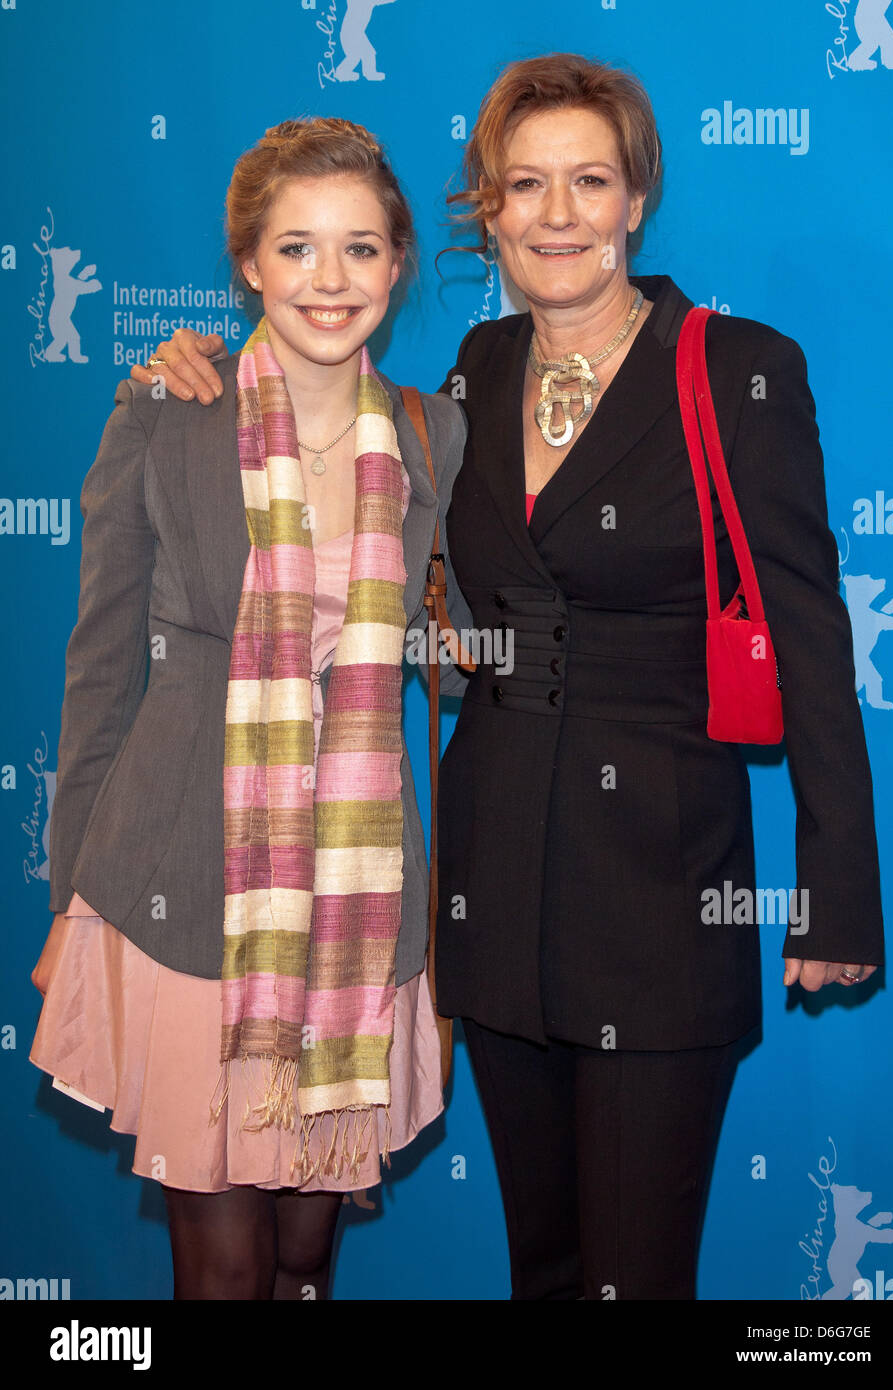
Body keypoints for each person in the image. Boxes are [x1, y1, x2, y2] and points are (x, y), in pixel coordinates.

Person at [129, 56, 885, 1301]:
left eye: (590, 180)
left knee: (634, 1280)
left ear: (636, 196)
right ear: (489, 206)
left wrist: (838, 893)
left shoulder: (735, 368)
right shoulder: (469, 378)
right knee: (542, 1268)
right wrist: (180, 377)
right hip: (495, 889)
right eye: (525, 185)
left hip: (662, 890)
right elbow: (374, 541)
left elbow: (809, 635)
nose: (558, 214)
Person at [30, 116, 471, 1301]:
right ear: (249, 266)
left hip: (358, 900)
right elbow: (97, 660)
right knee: (219, 1268)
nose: (331, 282)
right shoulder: (167, 412)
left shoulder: (435, 432)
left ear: (398, 262)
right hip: (180, 888)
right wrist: (72, 887)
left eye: (362, 249)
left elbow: (458, 641)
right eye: (298, 249)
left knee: (305, 1253)